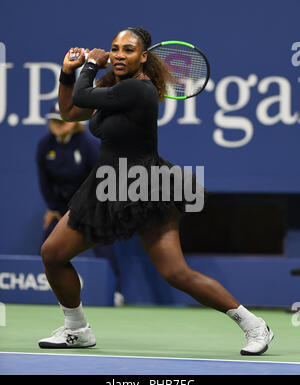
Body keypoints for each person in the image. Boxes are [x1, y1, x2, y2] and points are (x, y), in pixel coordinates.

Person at [38, 27, 274, 355]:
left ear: (143, 57)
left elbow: (82, 96)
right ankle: (76, 328)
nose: (119, 55)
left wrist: (90, 65)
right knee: (53, 254)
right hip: (107, 185)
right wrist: (67, 73)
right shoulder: (113, 87)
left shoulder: (140, 90)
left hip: (146, 186)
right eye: (115, 48)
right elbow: (69, 112)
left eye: (128, 50)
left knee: (175, 272)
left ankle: (254, 325)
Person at [36, 103, 124, 306]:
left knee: (103, 241)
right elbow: (44, 181)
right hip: (62, 206)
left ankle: (115, 290)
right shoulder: (44, 145)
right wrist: (52, 207)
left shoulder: (88, 145)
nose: (58, 124)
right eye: (54, 120)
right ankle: (48, 287)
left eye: (62, 120)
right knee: (48, 243)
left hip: (92, 203)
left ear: (74, 123)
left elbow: (102, 177)